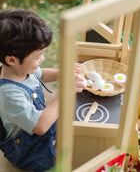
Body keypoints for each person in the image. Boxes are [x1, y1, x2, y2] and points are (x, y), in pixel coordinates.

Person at [0, 9, 86, 172]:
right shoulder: (9, 95)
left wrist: (64, 73)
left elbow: (42, 74)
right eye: (38, 56)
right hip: (29, 151)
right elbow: (41, 126)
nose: (43, 59)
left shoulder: (19, 69)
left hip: (39, 127)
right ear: (11, 59)